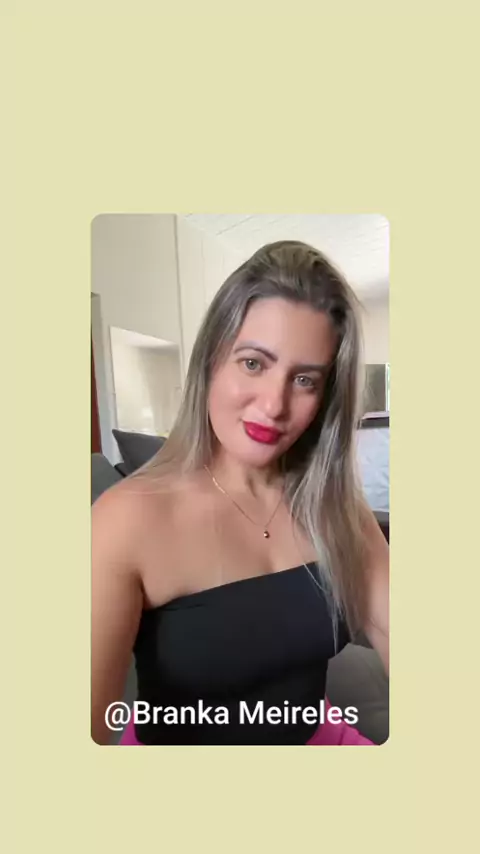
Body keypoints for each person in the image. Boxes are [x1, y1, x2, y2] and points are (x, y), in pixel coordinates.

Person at [91, 240, 389, 746]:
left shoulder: (336, 509)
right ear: (211, 361)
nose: (274, 404)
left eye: (305, 379)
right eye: (253, 363)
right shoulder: (124, 521)